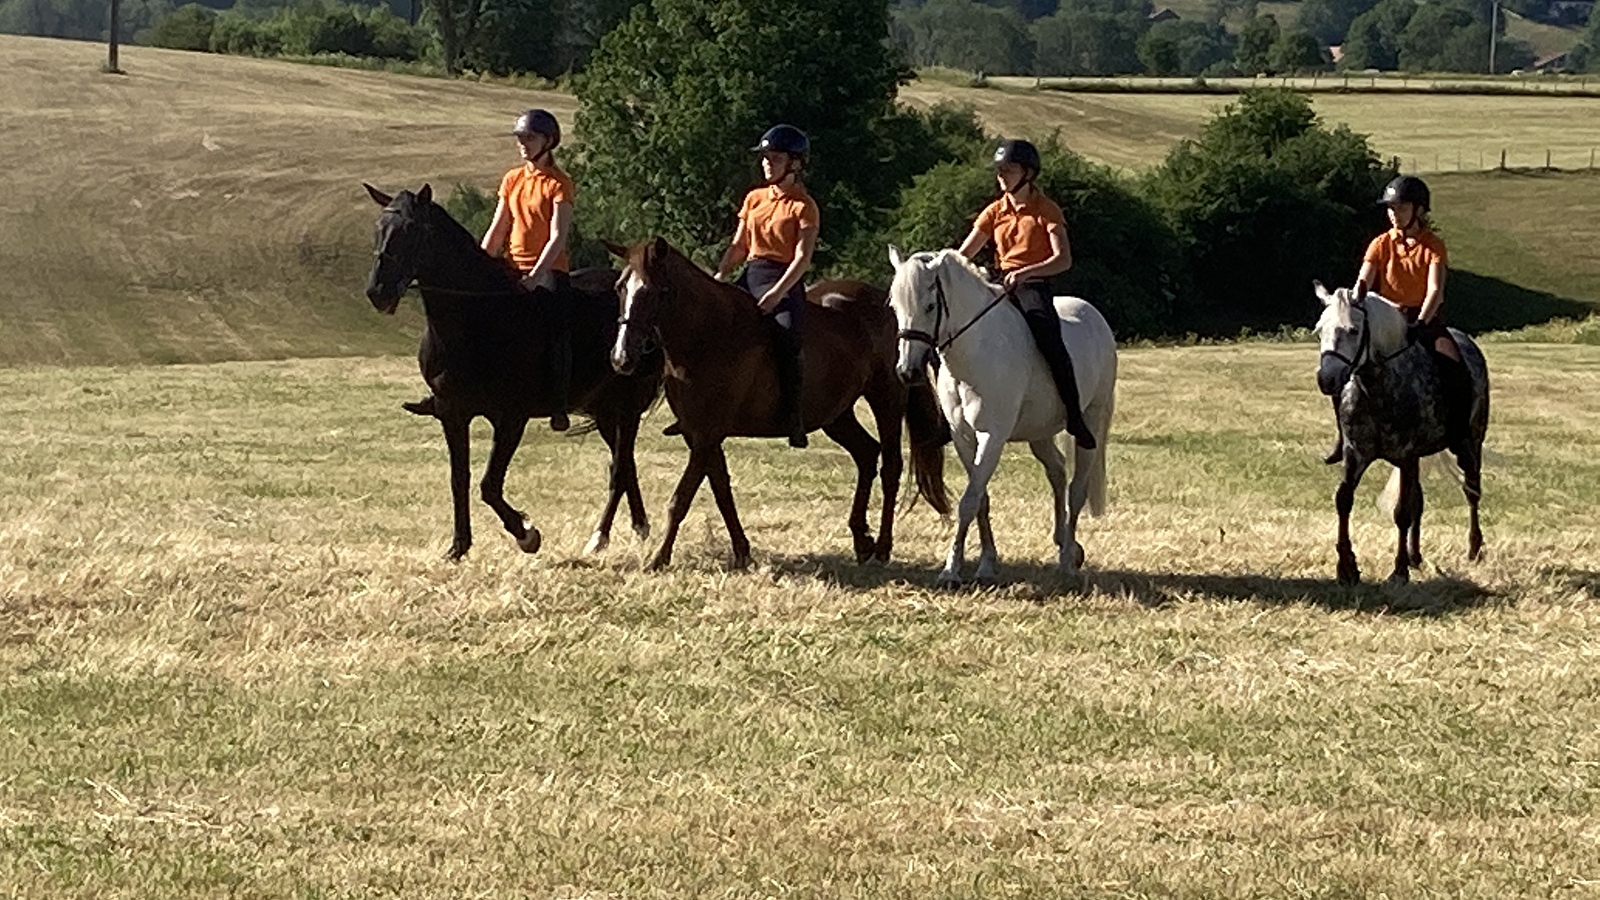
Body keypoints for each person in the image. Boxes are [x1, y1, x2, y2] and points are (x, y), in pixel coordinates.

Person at [405, 108, 575, 431]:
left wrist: (536, 277)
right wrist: (477, 269)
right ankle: (448, 391)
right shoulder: (512, 179)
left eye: (530, 138)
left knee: (557, 329)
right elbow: (498, 229)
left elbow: (557, 238)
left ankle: (558, 401)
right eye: (520, 138)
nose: (522, 144)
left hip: (550, 271)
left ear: (548, 141)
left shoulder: (559, 184)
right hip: (510, 267)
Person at [954, 139, 1096, 449]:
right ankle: (947, 416)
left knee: (1049, 337)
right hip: (999, 282)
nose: (1001, 176)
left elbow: (1063, 259)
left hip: (1033, 284)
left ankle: (1074, 415)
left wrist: (1026, 272)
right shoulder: (994, 211)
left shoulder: (1046, 210)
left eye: (1009, 169)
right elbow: (964, 254)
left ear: (1028, 173)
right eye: (999, 170)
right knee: (952, 330)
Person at [1324, 174, 1467, 464]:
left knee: (1456, 369)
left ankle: (1459, 434)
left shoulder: (1433, 245)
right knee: (1345, 365)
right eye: (1390, 208)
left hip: (1422, 319)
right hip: (1385, 319)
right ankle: (1344, 436)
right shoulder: (1379, 244)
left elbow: (1435, 291)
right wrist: (1353, 304)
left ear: (1419, 211)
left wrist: (1422, 324)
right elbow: (1363, 282)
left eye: (1401, 208)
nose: (1393, 214)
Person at [712, 123, 818, 448]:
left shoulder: (804, 206)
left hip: (783, 279)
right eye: (765, 158)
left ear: (795, 164)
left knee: (787, 339)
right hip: (750, 273)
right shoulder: (754, 198)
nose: (766, 163)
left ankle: (793, 415)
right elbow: (739, 245)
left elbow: (802, 259)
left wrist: (777, 294)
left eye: (774, 157)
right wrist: (720, 276)